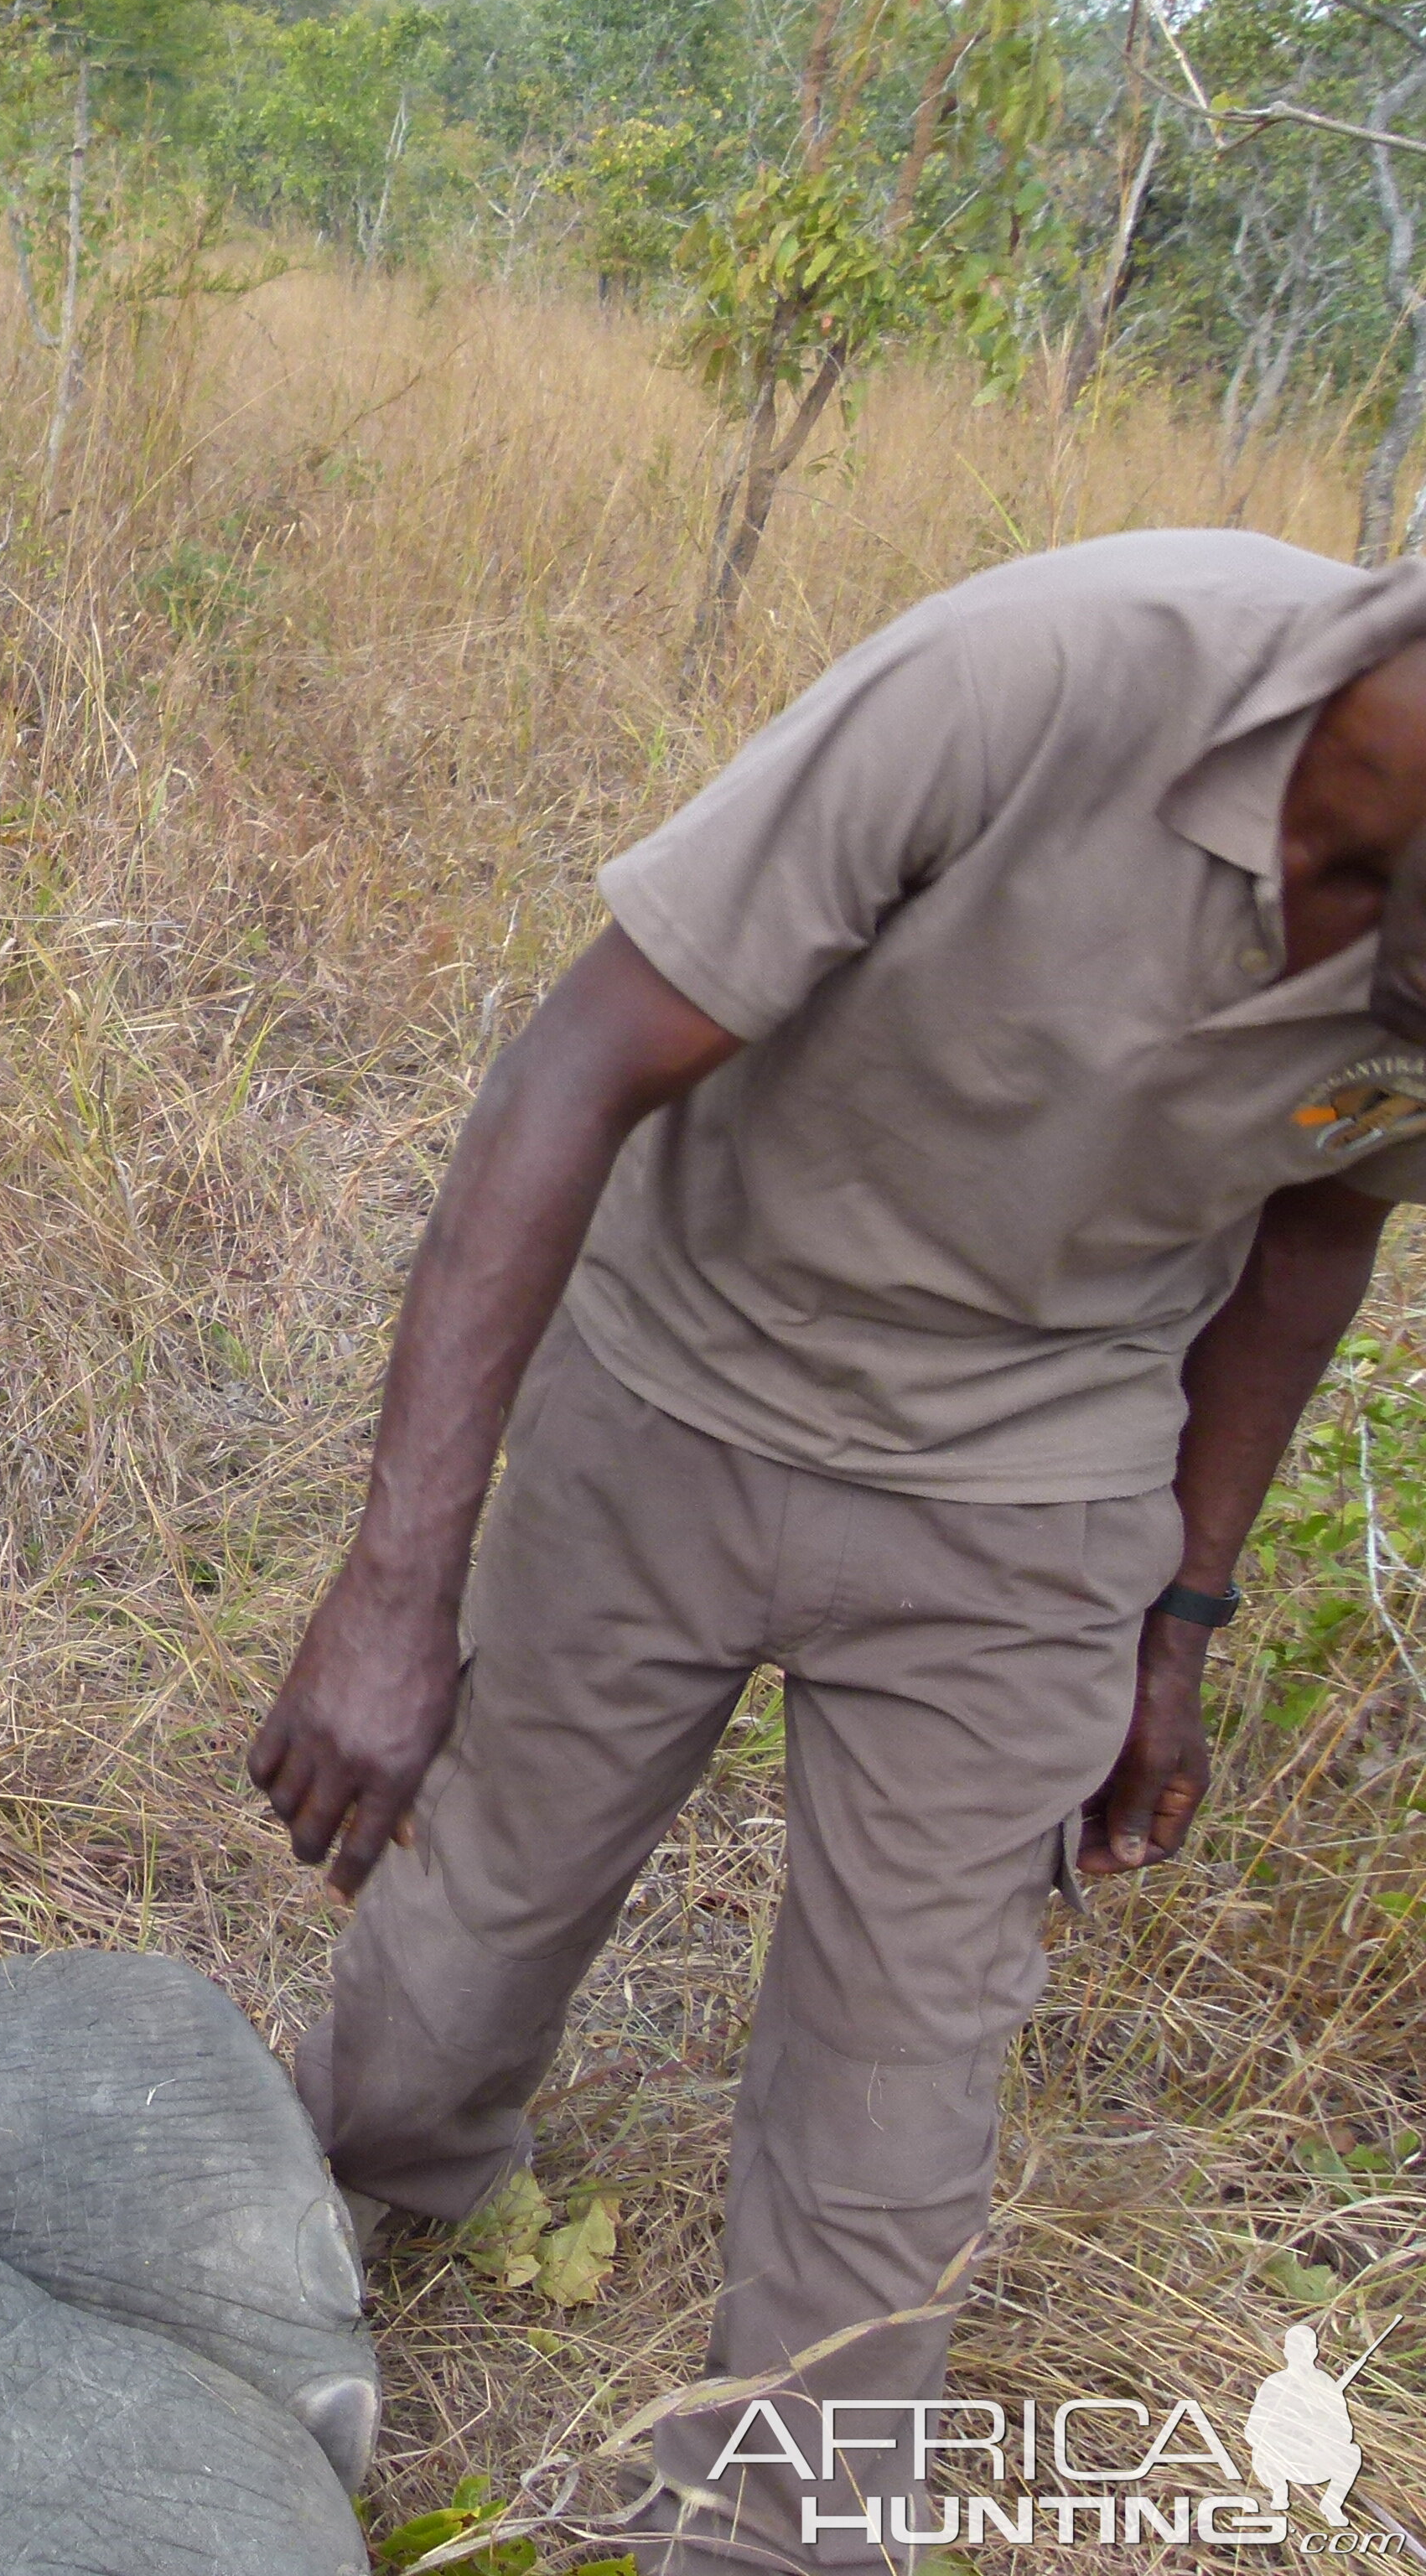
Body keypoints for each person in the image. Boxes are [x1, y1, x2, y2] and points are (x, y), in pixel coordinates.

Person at [245, 529, 1426, 2570]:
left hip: (1039, 1482)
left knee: (902, 2075)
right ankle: (352, 2192)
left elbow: (1319, 1225)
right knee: (468, 1935)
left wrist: (1183, 1607)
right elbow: (576, 1061)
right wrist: (390, 1590)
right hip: (684, 1373)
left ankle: (778, 2530)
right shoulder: (1036, 675)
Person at [1247, 2325, 1364, 2526]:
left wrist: (1322, 2424)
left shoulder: (1325, 2384)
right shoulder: (1275, 2383)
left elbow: (1345, 2430)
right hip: (1280, 2456)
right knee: (1260, 2453)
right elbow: (1253, 2429)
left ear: (1315, 2351)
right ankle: (1279, 2493)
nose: (1301, 2355)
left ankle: (1331, 2504)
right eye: (1295, 2349)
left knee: (1352, 2454)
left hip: (1316, 2457)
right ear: (1286, 2352)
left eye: (1306, 2349)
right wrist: (1283, 2431)